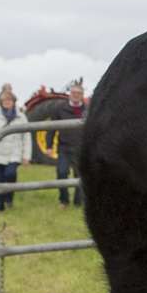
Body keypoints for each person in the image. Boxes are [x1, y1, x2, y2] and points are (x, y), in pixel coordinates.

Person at [0, 85, 32, 212]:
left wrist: (26, 156)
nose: (7, 103)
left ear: (14, 102)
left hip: (14, 153)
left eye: (10, 100)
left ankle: (9, 198)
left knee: (10, 175)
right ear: (1, 102)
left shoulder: (21, 117)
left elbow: (26, 136)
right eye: (4, 101)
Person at [53, 79, 88, 208]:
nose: (76, 95)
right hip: (64, 147)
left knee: (80, 175)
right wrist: (49, 145)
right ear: (70, 94)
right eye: (73, 92)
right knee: (61, 173)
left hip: (81, 148)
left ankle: (78, 202)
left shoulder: (87, 109)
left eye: (78, 93)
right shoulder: (60, 108)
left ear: (82, 95)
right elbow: (52, 127)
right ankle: (64, 200)